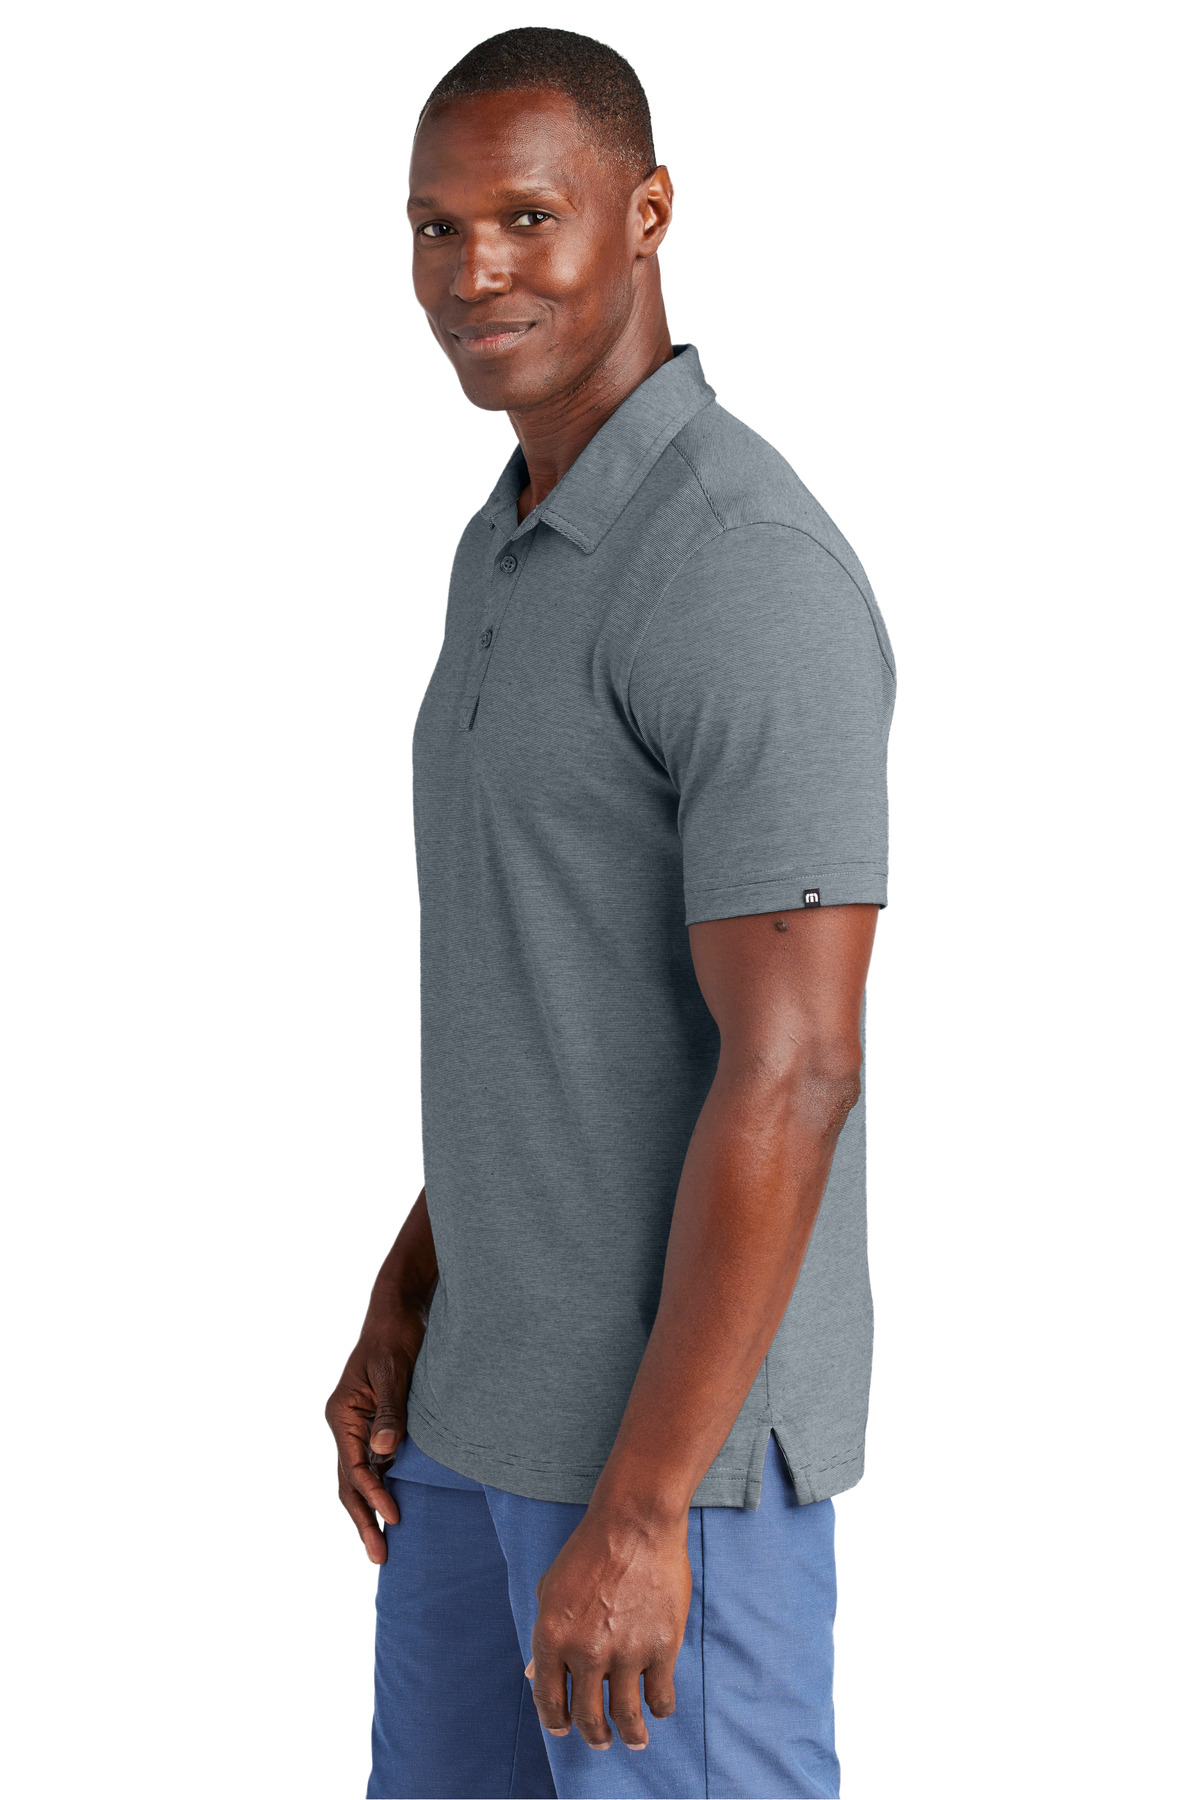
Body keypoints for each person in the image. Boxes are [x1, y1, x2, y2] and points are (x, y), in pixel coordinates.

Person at [326, 26, 895, 1800]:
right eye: (435, 227)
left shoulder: (739, 567)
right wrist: (417, 1285)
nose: (472, 272)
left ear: (645, 214)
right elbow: (561, 993)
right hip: (473, 1419)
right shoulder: (506, 540)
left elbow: (797, 1068)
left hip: (669, 1467)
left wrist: (647, 1511)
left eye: (525, 216)